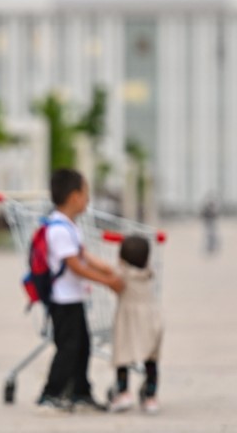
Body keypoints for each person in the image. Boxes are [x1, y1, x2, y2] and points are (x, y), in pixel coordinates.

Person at [37, 168, 124, 413]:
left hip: (73, 298)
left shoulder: (69, 226)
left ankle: (80, 392)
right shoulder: (58, 230)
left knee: (82, 345)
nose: (88, 199)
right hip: (62, 300)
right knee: (68, 348)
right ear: (75, 197)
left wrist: (108, 269)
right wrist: (107, 281)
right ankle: (50, 394)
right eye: (86, 194)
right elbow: (75, 266)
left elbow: (83, 256)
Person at [108, 234, 163, 414]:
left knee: (122, 356)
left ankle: (123, 392)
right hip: (152, 320)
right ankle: (151, 397)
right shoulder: (147, 273)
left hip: (129, 321)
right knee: (151, 360)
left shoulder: (122, 274)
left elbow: (113, 283)